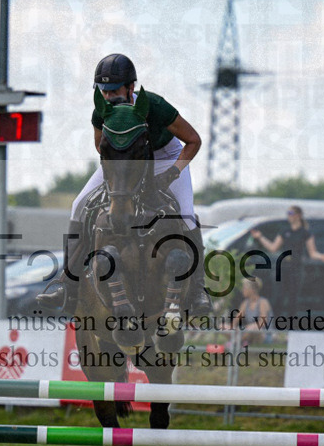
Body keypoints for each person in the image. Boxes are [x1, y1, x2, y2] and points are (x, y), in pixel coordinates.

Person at [37, 53, 211, 315]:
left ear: (131, 87)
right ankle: (67, 283)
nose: (108, 96)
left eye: (114, 89)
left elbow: (193, 140)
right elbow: (100, 145)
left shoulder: (154, 104)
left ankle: (198, 289)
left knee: (186, 213)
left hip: (166, 157)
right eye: (103, 90)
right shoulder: (102, 110)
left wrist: (173, 173)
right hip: (126, 162)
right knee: (78, 204)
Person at [250, 205, 324, 315]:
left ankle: (291, 326)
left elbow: (312, 253)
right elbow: (273, 247)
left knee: (293, 298)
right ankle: (276, 323)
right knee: (278, 296)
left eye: (291, 213)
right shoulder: (285, 231)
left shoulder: (305, 233)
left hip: (296, 268)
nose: (289, 216)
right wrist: (260, 237)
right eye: (288, 213)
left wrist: (322, 256)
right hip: (283, 267)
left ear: (299, 216)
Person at [228, 277, 274, 342]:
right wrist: (232, 328)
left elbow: (262, 323)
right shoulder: (245, 303)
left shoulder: (263, 302)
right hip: (248, 332)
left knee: (253, 328)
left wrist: (246, 328)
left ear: (252, 289)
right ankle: (237, 342)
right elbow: (235, 321)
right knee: (223, 327)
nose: (242, 290)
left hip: (265, 335)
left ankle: (236, 343)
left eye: (244, 288)